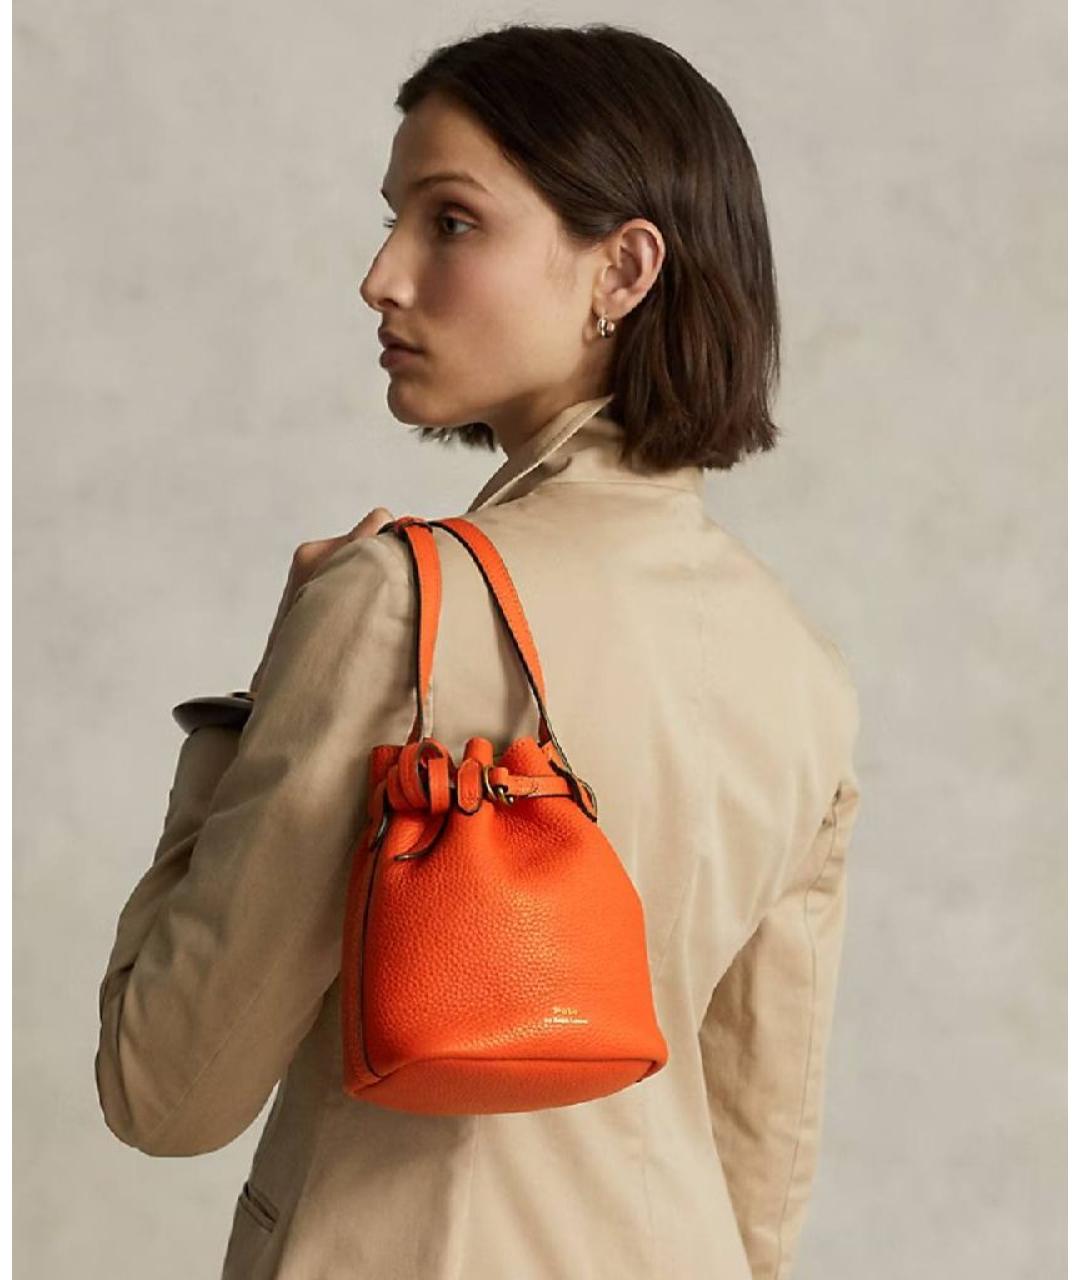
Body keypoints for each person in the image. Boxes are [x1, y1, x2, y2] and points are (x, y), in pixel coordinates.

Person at [94, 22, 862, 1280]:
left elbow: (165, 1084)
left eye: (450, 222)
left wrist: (260, 704)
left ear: (623, 269)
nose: (380, 276)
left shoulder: (400, 605)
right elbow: (760, 1154)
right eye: (393, 219)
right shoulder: (801, 665)